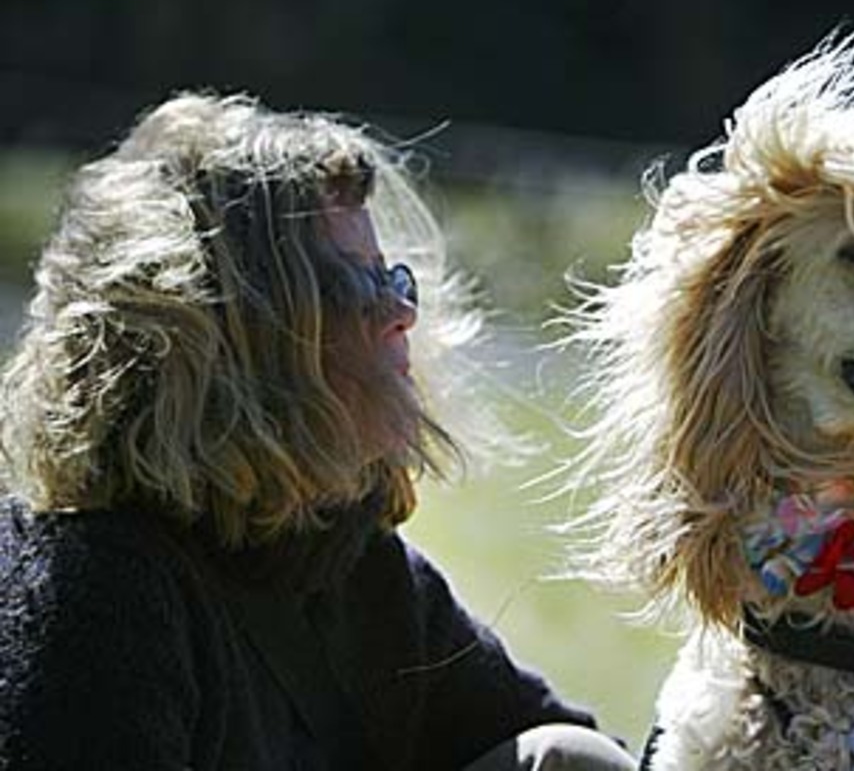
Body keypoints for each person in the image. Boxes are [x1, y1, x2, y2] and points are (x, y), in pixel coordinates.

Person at [0, 93, 636, 771]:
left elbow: (537, 734)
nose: (401, 313)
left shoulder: (343, 552)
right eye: (354, 287)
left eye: (394, 278)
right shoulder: (97, 599)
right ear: (241, 338)